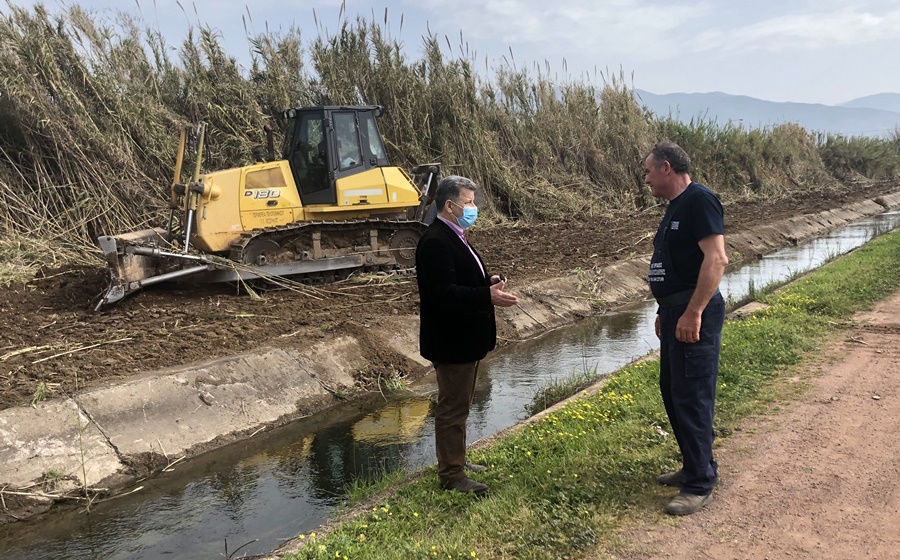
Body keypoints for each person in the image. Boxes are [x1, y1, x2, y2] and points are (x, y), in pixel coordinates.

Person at [415, 175, 519, 497]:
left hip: (464, 339)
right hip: (451, 341)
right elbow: (443, 293)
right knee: (452, 408)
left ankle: (456, 461)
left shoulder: (456, 235)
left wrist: (488, 280)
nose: (473, 208)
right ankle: (451, 475)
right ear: (450, 205)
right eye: (469, 202)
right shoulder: (435, 241)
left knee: (461, 404)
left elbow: (463, 276)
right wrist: (486, 296)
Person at [643, 141, 729, 515]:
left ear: (666, 168)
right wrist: (667, 310)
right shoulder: (676, 206)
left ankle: (699, 485)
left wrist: (694, 312)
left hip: (696, 312)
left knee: (692, 395)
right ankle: (695, 464)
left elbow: (717, 258)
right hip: (676, 309)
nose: (645, 179)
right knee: (674, 390)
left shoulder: (699, 200)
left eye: (647, 172)